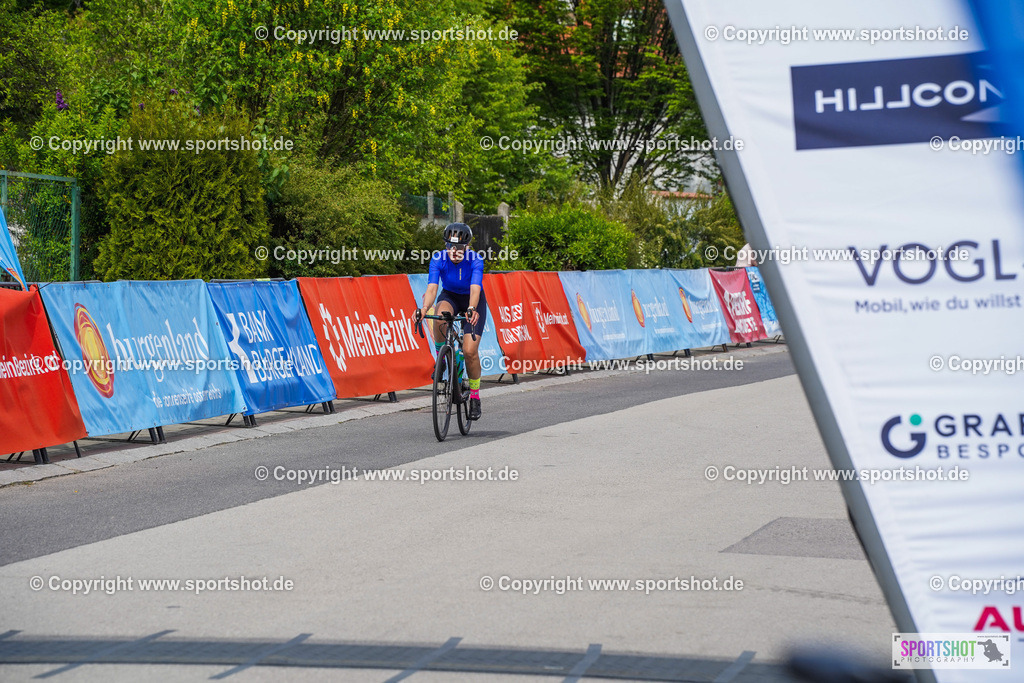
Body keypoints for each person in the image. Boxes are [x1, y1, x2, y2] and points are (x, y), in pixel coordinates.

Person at [414, 223, 486, 420]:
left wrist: (471, 309)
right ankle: (441, 357)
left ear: (467, 247)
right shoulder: (438, 259)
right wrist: (423, 308)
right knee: (439, 316)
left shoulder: (475, 260)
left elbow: (475, 289)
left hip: (472, 300)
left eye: (460, 248)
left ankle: (475, 397)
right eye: (450, 247)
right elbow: (431, 289)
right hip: (450, 296)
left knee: (470, 352)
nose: (454, 252)